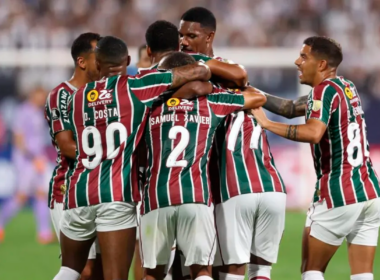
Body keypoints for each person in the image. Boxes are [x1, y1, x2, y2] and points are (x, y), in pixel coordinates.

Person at [53, 35, 212, 280]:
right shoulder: (136, 86)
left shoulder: (76, 97)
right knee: (116, 276)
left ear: (97, 64)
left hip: (78, 193)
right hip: (115, 194)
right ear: (128, 60)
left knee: (70, 269)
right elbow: (196, 73)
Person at [252, 36, 380, 280]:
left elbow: (313, 132)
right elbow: (290, 108)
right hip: (369, 191)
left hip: (339, 191)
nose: (297, 62)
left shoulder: (323, 91)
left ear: (321, 64)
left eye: (304, 57)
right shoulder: (345, 86)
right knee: (363, 274)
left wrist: (267, 124)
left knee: (311, 270)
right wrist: (253, 92)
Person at [179, 7, 287, 280]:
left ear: (209, 36)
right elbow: (241, 77)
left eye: (190, 35)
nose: (183, 41)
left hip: (231, 187)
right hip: (272, 185)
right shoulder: (246, 92)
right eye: (181, 36)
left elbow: (237, 73)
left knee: (225, 270)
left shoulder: (207, 92)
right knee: (260, 271)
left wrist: (199, 65)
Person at [139, 51, 267, 280]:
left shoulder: (148, 106)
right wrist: (210, 85)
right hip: (195, 196)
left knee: (152, 274)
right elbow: (257, 97)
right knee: (202, 271)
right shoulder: (212, 102)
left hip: (156, 197)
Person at [45, 32, 109, 280]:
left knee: (104, 269)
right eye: (98, 55)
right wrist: (110, 156)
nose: (103, 60)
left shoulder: (105, 93)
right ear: (82, 62)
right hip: (68, 189)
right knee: (84, 270)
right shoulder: (61, 95)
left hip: (102, 190)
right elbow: (66, 145)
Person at [0, 86, 53, 244]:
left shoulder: (39, 112)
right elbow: (18, 138)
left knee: (41, 194)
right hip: (26, 161)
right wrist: (32, 157)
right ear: (33, 95)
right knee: (21, 196)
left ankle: (44, 233)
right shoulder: (23, 112)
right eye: (41, 96)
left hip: (38, 159)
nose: (43, 99)